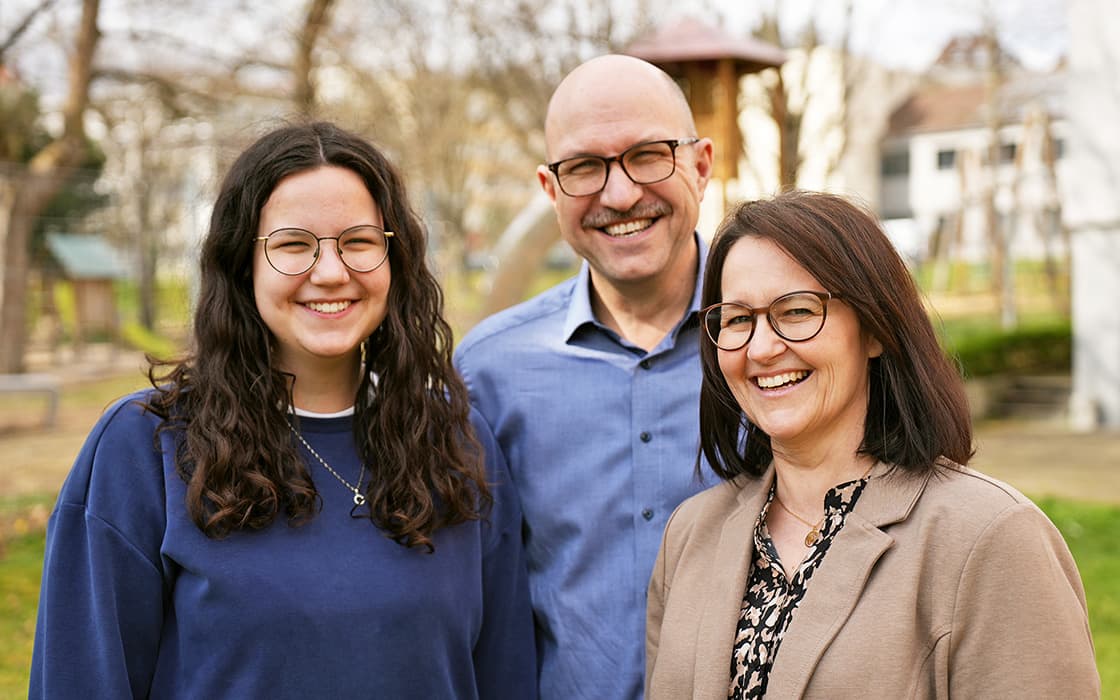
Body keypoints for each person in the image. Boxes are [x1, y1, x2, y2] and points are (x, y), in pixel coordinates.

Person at [30, 121, 536, 699]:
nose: (329, 272)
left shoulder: (458, 442)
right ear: (243, 264)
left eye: (359, 242)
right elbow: (80, 681)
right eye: (294, 245)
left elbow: (506, 674)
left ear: (395, 260)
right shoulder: (147, 448)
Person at [645, 191, 1100, 698]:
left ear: (874, 330)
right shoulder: (689, 534)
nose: (762, 347)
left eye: (796, 311)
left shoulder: (991, 539)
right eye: (736, 319)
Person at [454, 55, 715, 699]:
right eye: (585, 168)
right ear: (550, 190)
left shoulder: (780, 349)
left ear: (702, 165)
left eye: (648, 155)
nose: (620, 194)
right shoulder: (488, 372)